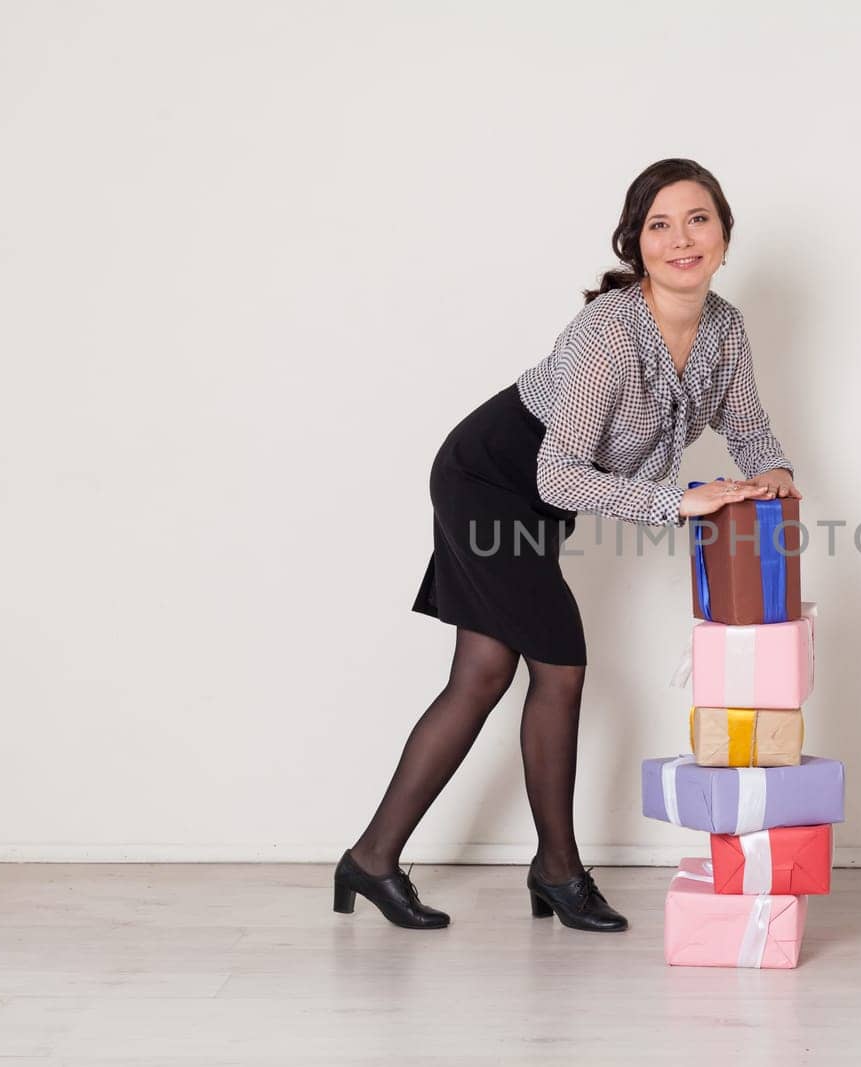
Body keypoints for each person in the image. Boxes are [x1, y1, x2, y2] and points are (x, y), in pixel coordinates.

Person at [332, 158, 803, 933]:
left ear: (723, 234)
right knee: (562, 665)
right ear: (636, 242)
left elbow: (745, 425)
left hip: (536, 496)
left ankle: (372, 859)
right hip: (490, 478)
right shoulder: (611, 334)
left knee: (484, 672)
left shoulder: (724, 329)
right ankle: (557, 869)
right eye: (659, 224)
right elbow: (556, 474)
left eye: (697, 219)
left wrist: (775, 472)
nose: (681, 238)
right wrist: (678, 501)